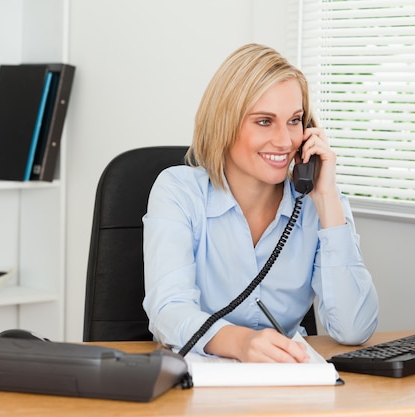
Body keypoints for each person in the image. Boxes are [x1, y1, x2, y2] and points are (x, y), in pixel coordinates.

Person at [143, 43, 378, 363]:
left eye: (294, 120)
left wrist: (326, 199)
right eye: (264, 121)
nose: (285, 140)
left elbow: (354, 329)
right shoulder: (179, 192)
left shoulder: (318, 202)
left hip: (287, 381)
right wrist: (239, 342)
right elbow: (168, 309)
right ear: (224, 123)